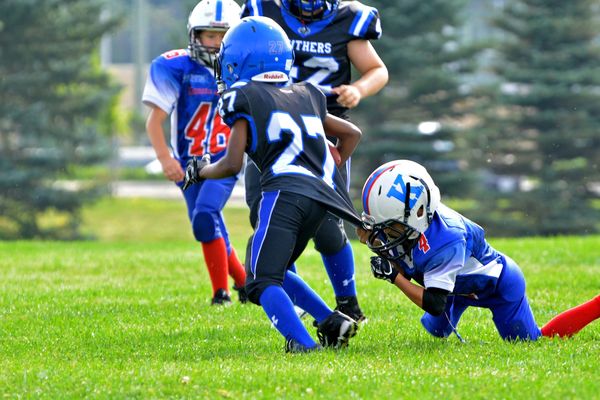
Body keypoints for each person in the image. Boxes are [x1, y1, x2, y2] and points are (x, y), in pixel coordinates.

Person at [183, 16, 364, 352]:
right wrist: (336, 158)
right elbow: (351, 133)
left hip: (284, 192)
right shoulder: (306, 92)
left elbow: (232, 163)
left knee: (261, 279)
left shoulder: (244, 96)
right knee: (265, 264)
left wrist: (201, 170)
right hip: (323, 197)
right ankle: (330, 320)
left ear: (239, 61)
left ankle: (304, 346)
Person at [240, 0, 389, 323]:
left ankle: (347, 303)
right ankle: (290, 302)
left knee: (327, 226)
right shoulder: (266, 11)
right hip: (271, 129)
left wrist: (358, 90)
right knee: (268, 223)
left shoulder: (349, 19)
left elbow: (377, 70)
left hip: (324, 130)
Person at [357, 159, 600, 341]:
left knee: (532, 341)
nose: (387, 234)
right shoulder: (420, 222)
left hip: (497, 286)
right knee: (436, 332)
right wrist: (377, 243)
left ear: (418, 211)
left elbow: (434, 302)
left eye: (391, 227)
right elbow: (410, 262)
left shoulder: (447, 241)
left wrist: (394, 277)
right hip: (458, 288)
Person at [142, 0, 247, 305]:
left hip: (224, 160)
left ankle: (221, 293)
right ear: (194, 35)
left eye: (222, 35)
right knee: (207, 222)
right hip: (187, 162)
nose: (215, 43)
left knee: (205, 216)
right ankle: (244, 282)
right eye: (209, 35)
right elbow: (155, 121)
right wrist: (165, 159)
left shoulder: (243, 69)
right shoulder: (176, 67)